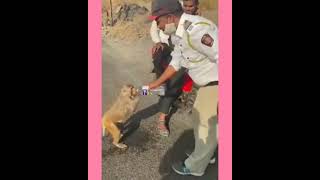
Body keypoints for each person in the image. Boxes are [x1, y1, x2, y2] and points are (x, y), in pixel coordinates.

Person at [146, 0, 218, 176]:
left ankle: (195, 167)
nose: (157, 26)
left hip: (216, 83)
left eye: (158, 21)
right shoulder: (178, 33)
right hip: (206, 84)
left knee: (204, 125)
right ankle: (205, 154)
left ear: (169, 17)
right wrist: (155, 84)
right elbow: (177, 61)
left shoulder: (197, 30)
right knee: (200, 120)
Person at [148, 0, 200, 137]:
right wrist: (158, 42)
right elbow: (177, 58)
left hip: (201, 69)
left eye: (191, 6)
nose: (158, 26)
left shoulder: (198, 25)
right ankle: (161, 117)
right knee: (171, 84)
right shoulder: (168, 13)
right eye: (186, 6)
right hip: (173, 52)